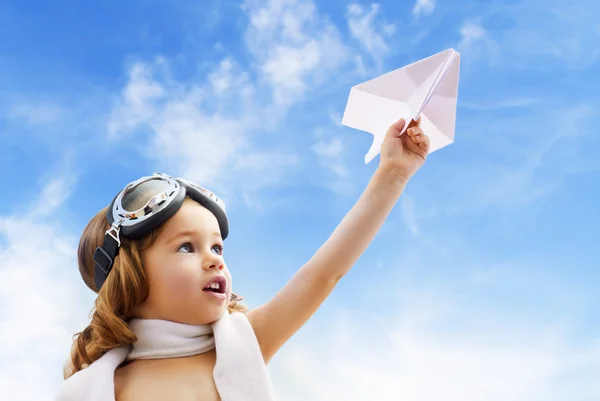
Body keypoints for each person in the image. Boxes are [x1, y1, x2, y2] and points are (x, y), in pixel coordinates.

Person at [56, 117, 430, 401]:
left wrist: (393, 173)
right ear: (129, 275)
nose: (214, 261)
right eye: (187, 247)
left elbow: (325, 273)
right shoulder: (100, 388)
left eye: (217, 248)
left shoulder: (240, 344)